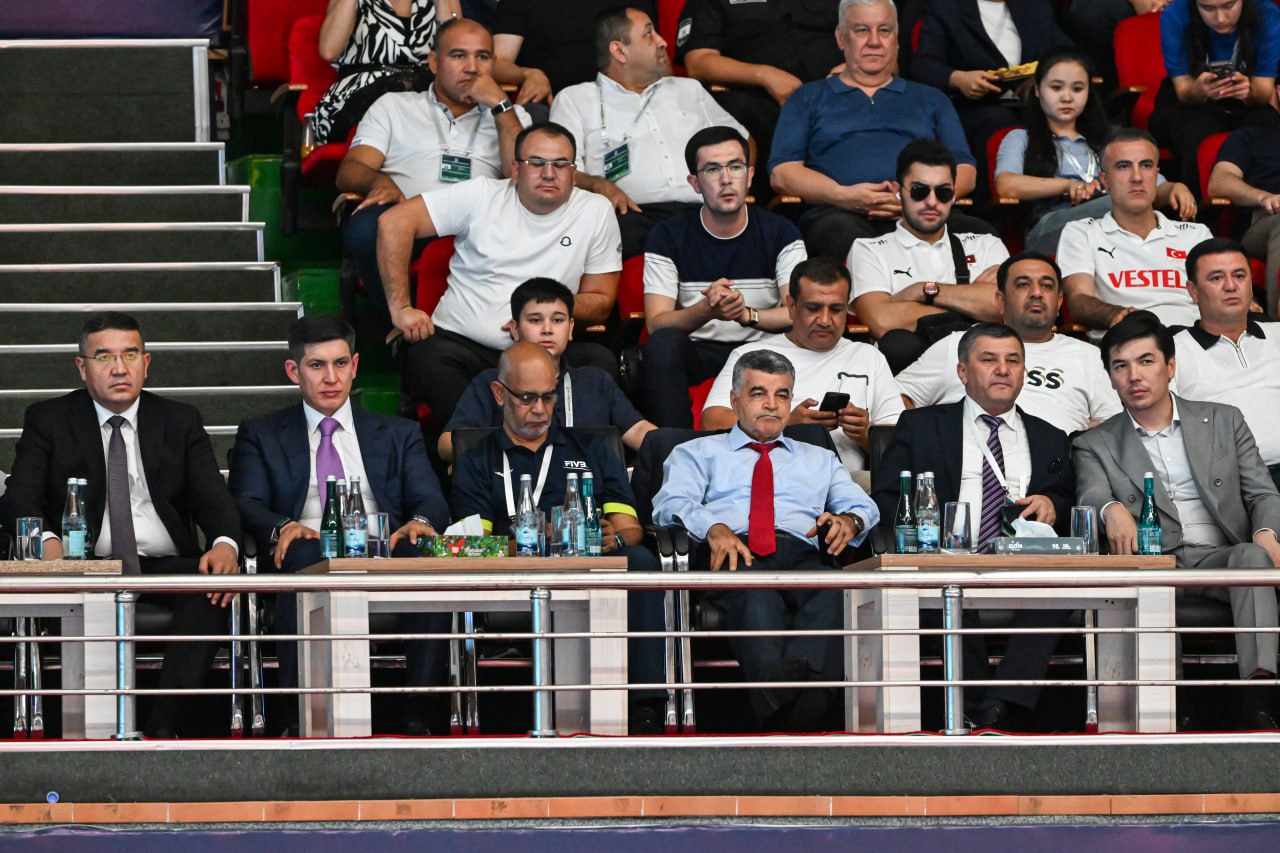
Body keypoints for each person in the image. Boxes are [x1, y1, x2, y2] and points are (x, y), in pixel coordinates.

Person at [0, 312, 240, 739]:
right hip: (85, 564)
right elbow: (18, 497)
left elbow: (214, 498)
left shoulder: (179, 419)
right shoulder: (50, 419)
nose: (118, 368)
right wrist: (48, 542)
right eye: (104, 357)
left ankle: (162, 729)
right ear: (82, 367)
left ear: (146, 363)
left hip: (165, 563)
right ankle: (92, 735)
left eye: (130, 355)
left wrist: (224, 543)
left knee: (210, 591)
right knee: (86, 596)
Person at [228, 315, 451, 735]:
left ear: (355, 365)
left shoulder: (398, 433)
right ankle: (296, 710)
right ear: (293, 370)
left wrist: (419, 523)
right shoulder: (261, 434)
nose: (331, 377)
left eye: (340, 363)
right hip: (306, 551)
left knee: (423, 556)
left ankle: (420, 709)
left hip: (384, 550)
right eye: (317, 365)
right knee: (304, 552)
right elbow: (244, 502)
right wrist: (283, 525)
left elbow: (431, 500)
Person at [651, 349, 879, 730]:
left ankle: (779, 706)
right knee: (757, 597)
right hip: (736, 552)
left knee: (836, 592)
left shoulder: (818, 458)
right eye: (758, 393)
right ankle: (805, 711)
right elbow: (669, 504)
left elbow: (862, 505)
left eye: (782, 395)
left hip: (803, 552)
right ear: (734, 400)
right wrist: (713, 527)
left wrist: (850, 521)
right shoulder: (697, 453)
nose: (771, 405)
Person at [1074, 309, 1280, 729]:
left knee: (1253, 558)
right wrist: (1111, 509)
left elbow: (1262, 492)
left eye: (1146, 361)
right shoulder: (1095, 442)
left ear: (1170, 366)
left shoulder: (1224, 420)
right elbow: (1091, 493)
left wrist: (1266, 532)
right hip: (1155, 560)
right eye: (1120, 366)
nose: (1134, 376)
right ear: (1110, 377)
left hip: (1222, 557)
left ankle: (1259, 700)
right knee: (1146, 575)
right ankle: (1173, 707)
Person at [448, 342, 666, 733]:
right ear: (499, 393)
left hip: (588, 565)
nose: (540, 409)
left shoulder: (594, 448)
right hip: (514, 574)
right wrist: (536, 539)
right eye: (527, 398)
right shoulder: (476, 459)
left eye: (548, 397)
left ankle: (646, 706)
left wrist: (613, 538)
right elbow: (474, 548)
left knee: (642, 562)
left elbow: (630, 527)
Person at [872, 322, 1076, 729]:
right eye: (989, 360)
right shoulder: (922, 426)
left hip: (1025, 567)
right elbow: (889, 496)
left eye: (1013, 361)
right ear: (963, 372)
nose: (1003, 369)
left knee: (1062, 592)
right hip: (945, 560)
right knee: (944, 594)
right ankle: (992, 708)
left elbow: (1066, 501)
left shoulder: (1051, 437)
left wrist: (1052, 504)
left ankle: (993, 705)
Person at [376, 121, 621, 424]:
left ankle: (550, 448)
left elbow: (601, 301)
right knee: (426, 360)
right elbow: (394, 222)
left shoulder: (596, 210)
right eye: (536, 163)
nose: (549, 173)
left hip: (548, 354)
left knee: (599, 362)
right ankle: (490, 444)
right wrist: (401, 308)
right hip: (464, 347)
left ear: (573, 173)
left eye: (560, 164)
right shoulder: (482, 194)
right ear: (515, 170)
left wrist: (547, 310)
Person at [338, 18, 532, 325]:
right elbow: (349, 170)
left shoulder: (512, 115)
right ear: (433, 62)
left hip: (480, 226)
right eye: (458, 55)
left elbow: (523, 179)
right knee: (366, 228)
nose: (472, 68)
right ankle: (407, 324)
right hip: (410, 219)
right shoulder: (394, 106)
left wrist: (499, 105)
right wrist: (378, 181)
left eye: (482, 57)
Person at [769, 0, 991, 261]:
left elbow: (966, 171)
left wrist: (917, 199)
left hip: (926, 211)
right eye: (862, 30)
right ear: (841, 37)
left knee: (982, 236)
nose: (874, 41)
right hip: (838, 213)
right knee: (847, 238)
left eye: (884, 30)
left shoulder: (932, 98)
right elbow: (783, 173)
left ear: (897, 38)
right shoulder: (806, 98)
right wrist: (845, 196)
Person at [549, 7, 749, 258]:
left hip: (703, 211)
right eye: (648, 34)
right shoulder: (575, 99)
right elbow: (561, 168)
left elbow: (741, 139)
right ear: (619, 51)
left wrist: (736, 177)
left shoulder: (689, 89)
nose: (662, 42)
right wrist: (599, 185)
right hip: (631, 216)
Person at [641, 126, 807, 428]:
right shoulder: (667, 236)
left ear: (750, 175)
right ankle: (675, 445)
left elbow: (797, 312)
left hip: (764, 349)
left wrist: (746, 315)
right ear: (695, 183)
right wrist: (707, 310)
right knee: (663, 344)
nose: (726, 179)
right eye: (712, 169)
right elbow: (657, 322)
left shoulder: (782, 233)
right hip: (699, 350)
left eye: (735, 167)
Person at [702, 258, 905, 475]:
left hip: (846, 482)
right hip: (765, 476)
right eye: (813, 308)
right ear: (791, 306)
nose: (825, 320)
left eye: (836, 309)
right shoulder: (750, 355)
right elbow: (712, 422)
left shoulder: (868, 356)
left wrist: (866, 434)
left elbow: (900, 445)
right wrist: (786, 424)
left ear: (847, 308)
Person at [994, 47, 1198, 254]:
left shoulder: (1108, 140)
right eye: (1056, 88)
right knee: (1127, 199)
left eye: (1077, 89)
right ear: (1037, 90)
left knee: (1138, 201)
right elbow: (1006, 185)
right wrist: (1068, 185)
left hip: (1113, 220)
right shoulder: (1020, 138)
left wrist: (1173, 188)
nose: (1067, 97)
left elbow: (1153, 183)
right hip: (1049, 227)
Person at [897, 251, 1122, 433]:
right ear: (1001, 300)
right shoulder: (958, 344)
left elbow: (1113, 424)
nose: (1036, 293)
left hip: (1055, 469)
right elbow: (896, 398)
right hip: (963, 464)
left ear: (1059, 302)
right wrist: (925, 441)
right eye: (1023, 285)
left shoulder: (1088, 355)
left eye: (1047, 285)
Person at [440, 277, 655, 460]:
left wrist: (672, 446)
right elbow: (447, 444)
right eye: (535, 320)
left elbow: (637, 430)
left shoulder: (595, 381)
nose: (547, 329)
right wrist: (508, 444)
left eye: (558, 320)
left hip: (583, 489)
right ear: (514, 329)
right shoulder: (491, 382)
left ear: (570, 329)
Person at [849, 139, 1009, 373]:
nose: (932, 202)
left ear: (954, 195)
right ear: (897, 191)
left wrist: (925, 290)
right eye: (919, 191)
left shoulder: (986, 244)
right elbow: (882, 321)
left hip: (980, 373)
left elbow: (1003, 308)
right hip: (905, 374)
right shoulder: (869, 250)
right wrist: (972, 311)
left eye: (943, 192)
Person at [675, 0, 844, 201]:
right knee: (734, 113)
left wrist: (853, 67)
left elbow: (870, 28)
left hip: (838, 95)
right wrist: (763, 75)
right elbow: (699, 62)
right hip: (760, 103)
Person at [909, 0, 1072, 200]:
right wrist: (957, 78)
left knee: (1067, 107)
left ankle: (1070, 190)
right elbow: (923, 66)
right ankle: (997, 204)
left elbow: (1068, 55)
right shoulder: (946, 7)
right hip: (974, 107)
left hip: (1032, 104)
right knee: (998, 119)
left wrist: (1041, 78)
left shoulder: (1035, 6)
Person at [1057, 129, 1212, 333]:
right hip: (1129, 342)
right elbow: (1078, 301)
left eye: (1146, 165)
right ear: (1105, 180)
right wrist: (1119, 316)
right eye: (1123, 166)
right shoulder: (1081, 233)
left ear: (1156, 175)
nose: (1137, 177)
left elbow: (1219, 294)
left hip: (1195, 340)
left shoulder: (1196, 234)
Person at [1173, 238, 1280, 491]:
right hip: (1234, 484)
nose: (1231, 286)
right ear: (1193, 291)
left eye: (1239, 276)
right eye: (1216, 278)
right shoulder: (1173, 351)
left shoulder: (1277, 333)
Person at [1148, 0, 1280, 190]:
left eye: (1228, 6)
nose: (1220, 18)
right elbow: (1183, 91)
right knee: (1198, 127)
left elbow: (1264, 91)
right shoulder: (1175, 14)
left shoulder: (1267, 14)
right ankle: (1197, 202)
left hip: (1244, 96)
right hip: (1192, 100)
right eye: (1208, 8)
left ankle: (1267, 198)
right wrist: (1198, 90)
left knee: (1267, 124)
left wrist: (1249, 92)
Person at [311, 0, 461, 145]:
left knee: (447, 104)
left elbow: (456, 56)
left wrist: (442, 3)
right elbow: (329, 51)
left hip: (423, 91)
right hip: (361, 89)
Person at [493, 0, 658, 105]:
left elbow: (655, 48)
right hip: (555, 105)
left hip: (629, 97)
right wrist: (528, 74)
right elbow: (497, 63)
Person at [1206, 126, 1280, 316]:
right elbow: (1219, 182)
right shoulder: (1252, 137)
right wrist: (1263, 197)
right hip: (1266, 218)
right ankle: (1276, 327)